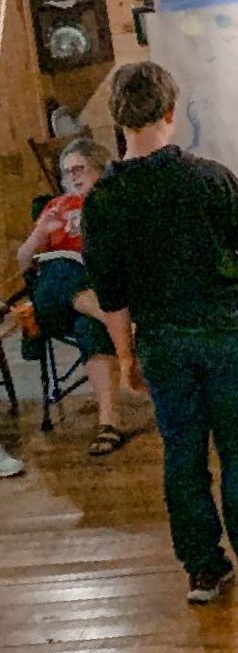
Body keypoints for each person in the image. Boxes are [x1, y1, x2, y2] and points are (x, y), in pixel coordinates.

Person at [82, 61, 238, 605]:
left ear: (117, 119)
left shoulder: (103, 202)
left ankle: (203, 569)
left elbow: (112, 297)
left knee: (182, 454)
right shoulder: (208, 177)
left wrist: (127, 355)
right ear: (171, 112)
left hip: (161, 341)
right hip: (227, 332)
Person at [16, 137, 125, 455]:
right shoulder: (55, 206)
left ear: (100, 169)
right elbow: (23, 260)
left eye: (80, 169)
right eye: (66, 172)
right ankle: (117, 321)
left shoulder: (112, 203)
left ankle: (109, 423)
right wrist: (41, 234)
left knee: (89, 328)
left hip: (93, 282)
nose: (73, 177)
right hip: (51, 293)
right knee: (59, 266)